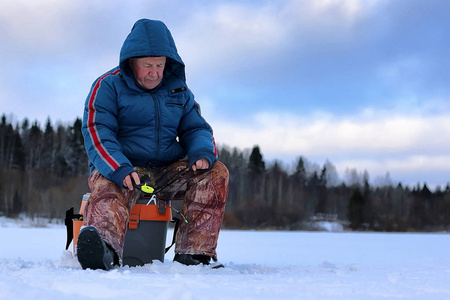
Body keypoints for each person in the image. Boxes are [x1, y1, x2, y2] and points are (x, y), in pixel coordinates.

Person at [78, 19, 229, 270]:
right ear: (131, 63)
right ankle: (103, 250)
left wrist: (201, 152)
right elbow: (97, 132)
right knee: (109, 186)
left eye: (160, 65)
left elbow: (196, 128)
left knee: (215, 172)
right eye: (147, 65)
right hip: (125, 168)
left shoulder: (179, 90)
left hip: (166, 170)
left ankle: (194, 255)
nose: (154, 72)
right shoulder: (107, 86)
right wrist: (119, 168)